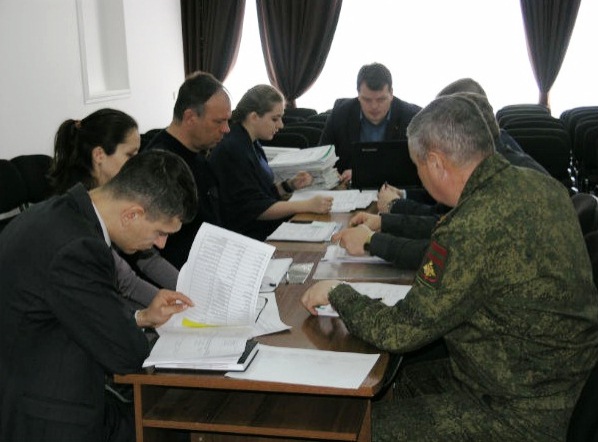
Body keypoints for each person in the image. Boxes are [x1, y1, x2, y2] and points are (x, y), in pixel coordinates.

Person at [301, 94, 598, 441]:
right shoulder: (541, 185)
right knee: (398, 381)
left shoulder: (470, 226)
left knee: (357, 430)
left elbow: (401, 331)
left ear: (436, 163)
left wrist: (338, 292)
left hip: (520, 409)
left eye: (418, 166)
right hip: (557, 376)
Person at [0, 150, 198, 442]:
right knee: (177, 424)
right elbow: (126, 354)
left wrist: (142, 317)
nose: (161, 244)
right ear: (132, 214)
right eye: (160, 231)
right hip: (46, 418)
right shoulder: (78, 247)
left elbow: (74, 310)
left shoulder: (55, 213)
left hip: (30, 384)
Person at [335, 81, 550, 270]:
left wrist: (371, 242)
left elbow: (443, 256)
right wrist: (385, 222)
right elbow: (443, 222)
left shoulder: (500, 189)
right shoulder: (495, 163)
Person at [49, 108, 179, 308]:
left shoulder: (119, 195)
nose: (136, 165)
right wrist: (176, 307)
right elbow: (126, 283)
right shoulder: (79, 213)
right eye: (130, 155)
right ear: (99, 155)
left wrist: (188, 291)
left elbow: (149, 258)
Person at [209, 84, 333, 240]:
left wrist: (289, 185)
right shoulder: (233, 150)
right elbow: (255, 209)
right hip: (248, 236)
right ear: (254, 117)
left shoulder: (251, 142)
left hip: (260, 228)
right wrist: (307, 205)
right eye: (275, 118)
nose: (281, 125)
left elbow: (261, 194)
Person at [144, 71, 232, 269]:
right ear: (190, 117)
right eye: (219, 121)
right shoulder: (161, 165)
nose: (226, 129)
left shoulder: (197, 152)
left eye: (228, 120)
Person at [319, 62, 421, 184]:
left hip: (396, 188)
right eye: (367, 100)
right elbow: (322, 158)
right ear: (358, 94)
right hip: (348, 189)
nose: (374, 107)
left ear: (391, 94)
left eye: (381, 99)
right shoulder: (340, 114)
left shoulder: (413, 117)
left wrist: (362, 174)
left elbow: (419, 169)